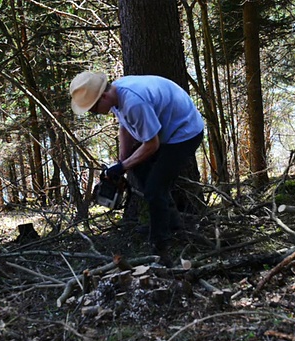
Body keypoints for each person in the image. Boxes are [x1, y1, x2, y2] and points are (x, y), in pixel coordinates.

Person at [69, 71, 204, 267]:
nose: (94, 113)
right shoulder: (116, 95)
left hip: (184, 133)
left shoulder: (134, 102)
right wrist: (122, 162)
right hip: (164, 131)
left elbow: (152, 145)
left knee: (154, 189)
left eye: (93, 109)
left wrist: (122, 166)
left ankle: (160, 248)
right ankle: (172, 222)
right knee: (140, 168)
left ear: (103, 97)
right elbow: (125, 127)